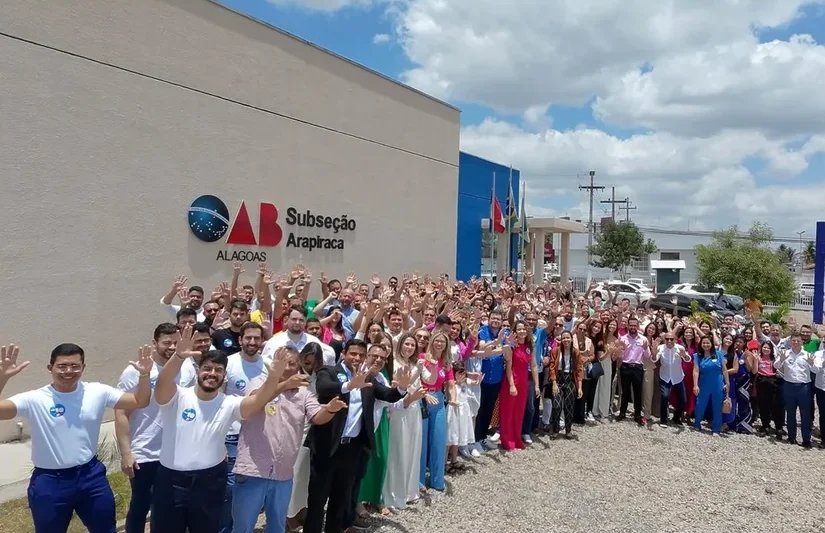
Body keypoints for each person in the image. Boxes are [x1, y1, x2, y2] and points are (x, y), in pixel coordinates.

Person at [150, 325, 292, 533]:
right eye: (207, 368)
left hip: (210, 481)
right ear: (198, 371)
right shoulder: (177, 396)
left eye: (218, 370)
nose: (212, 373)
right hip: (171, 481)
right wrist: (178, 356)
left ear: (224, 376)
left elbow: (257, 402)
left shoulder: (229, 403)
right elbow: (162, 384)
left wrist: (273, 378)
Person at [0, 343, 152, 533]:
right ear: (50, 368)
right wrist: (3, 377)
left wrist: (144, 375)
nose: (68, 371)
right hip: (50, 481)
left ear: (83, 367)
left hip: (91, 476)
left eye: (74, 366)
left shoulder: (97, 392)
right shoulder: (35, 399)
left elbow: (140, 401)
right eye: (62, 366)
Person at [232, 346, 346, 533]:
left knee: (277, 526)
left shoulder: (303, 393)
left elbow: (317, 416)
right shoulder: (257, 382)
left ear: (298, 365)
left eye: (291, 363)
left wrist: (331, 410)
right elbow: (256, 401)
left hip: (283, 473)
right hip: (253, 470)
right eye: (282, 363)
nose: (287, 368)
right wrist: (283, 385)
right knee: (243, 527)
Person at [304, 340, 411, 533]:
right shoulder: (329, 371)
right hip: (327, 446)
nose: (357, 358)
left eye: (361, 355)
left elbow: (388, 394)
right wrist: (349, 385)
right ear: (344, 353)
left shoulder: (368, 379)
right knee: (317, 500)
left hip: (352, 449)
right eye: (353, 353)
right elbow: (324, 388)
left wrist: (401, 389)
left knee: (340, 500)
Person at [115, 323, 196, 533]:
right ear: (154, 343)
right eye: (166, 343)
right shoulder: (135, 371)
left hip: (177, 451)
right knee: (141, 505)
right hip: (145, 452)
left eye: (176, 343)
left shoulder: (187, 367)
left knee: (169, 506)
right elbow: (121, 412)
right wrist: (126, 453)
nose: (172, 347)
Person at [221, 321, 270, 533]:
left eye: (256, 338)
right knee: (231, 489)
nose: (252, 342)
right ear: (240, 340)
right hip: (232, 436)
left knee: (253, 487)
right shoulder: (228, 363)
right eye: (248, 338)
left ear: (262, 341)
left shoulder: (269, 366)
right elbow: (219, 402)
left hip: (259, 436)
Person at [499, 321, 540, 451]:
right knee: (508, 411)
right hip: (511, 381)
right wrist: (511, 385)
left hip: (523, 382)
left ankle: (517, 438)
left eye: (523, 329)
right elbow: (509, 367)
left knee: (519, 412)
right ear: (515, 332)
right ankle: (507, 440)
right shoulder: (512, 346)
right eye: (519, 329)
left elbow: (534, 366)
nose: (522, 331)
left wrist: (537, 385)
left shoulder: (530, 346)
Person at [774, 333, 815, 448]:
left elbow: (815, 370)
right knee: (790, 412)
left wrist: (812, 364)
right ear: (790, 342)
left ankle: (806, 439)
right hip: (789, 386)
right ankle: (791, 437)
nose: (795, 343)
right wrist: (781, 360)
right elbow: (776, 366)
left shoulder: (807, 355)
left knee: (805, 414)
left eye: (798, 341)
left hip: (804, 387)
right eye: (793, 341)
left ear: (802, 342)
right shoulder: (785, 353)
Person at [652, 332, 691, 427]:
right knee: (665, 397)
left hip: (677, 377)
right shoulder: (660, 348)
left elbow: (688, 359)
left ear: (675, 339)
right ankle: (663, 420)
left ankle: (676, 418)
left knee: (683, 400)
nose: (669, 341)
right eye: (667, 339)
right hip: (665, 377)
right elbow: (654, 359)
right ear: (664, 340)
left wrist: (684, 355)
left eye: (671, 339)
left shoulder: (680, 348)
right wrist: (654, 352)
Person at [693, 336, 729, 436]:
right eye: (704, 343)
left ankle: (716, 429)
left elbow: (724, 369)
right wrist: (695, 385)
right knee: (700, 404)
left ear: (712, 344)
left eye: (708, 343)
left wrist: (727, 383)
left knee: (717, 406)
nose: (706, 345)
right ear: (701, 344)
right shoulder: (697, 356)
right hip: (704, 383)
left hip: (718, 383)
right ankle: (697, 423)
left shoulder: (719, 354)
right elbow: (696, 371)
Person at [618, 317, 650, 425]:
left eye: (634, 325)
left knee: (638, 392)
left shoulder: (643, 339)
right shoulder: (623, 339)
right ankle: (622, 413)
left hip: (637, 367)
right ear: (627, 326)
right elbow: (620, 356)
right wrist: (622, 349)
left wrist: (645, 348)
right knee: (625, 391)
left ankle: (637, 415)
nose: (632, 327)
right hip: (626, 366)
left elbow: (648, 356)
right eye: (630, 325)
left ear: (638, 326)